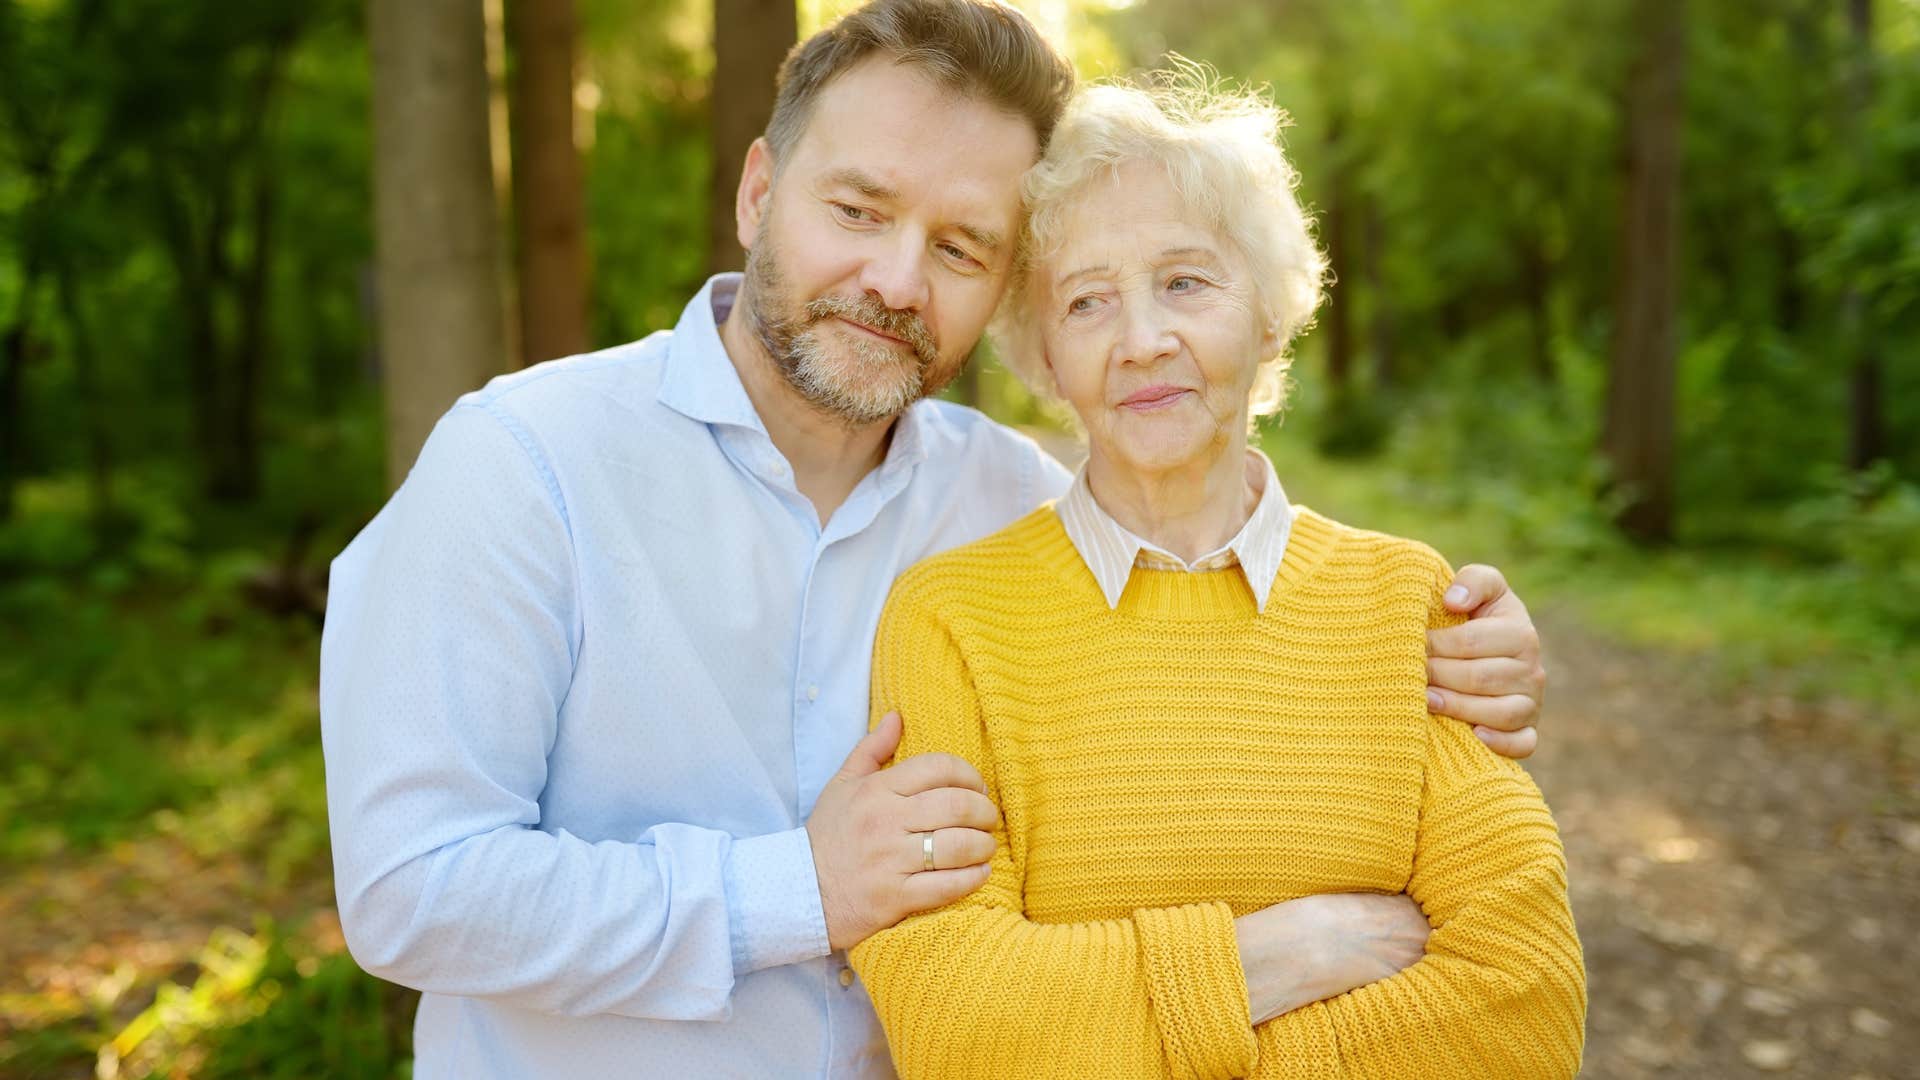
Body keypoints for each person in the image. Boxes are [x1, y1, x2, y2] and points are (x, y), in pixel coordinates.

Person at [319, 2, 1550, 1076]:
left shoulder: (1019, 508)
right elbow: (411, 889)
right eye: (858, 208)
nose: (898, 280)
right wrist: (796, 891)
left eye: (961, 247)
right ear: (759, 190)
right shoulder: (528, 461)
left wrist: (1472, 647)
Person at [849, 71, 1585, 1078]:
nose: (1144, 339)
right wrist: (1284, 958)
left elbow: (1525, 1007)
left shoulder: (1408, 602)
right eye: (1088, 301)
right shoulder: (951, 623)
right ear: (1047, 358)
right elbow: (957, 1023)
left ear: (1271, 316)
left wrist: (1114, 1028)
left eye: (1186, 283)